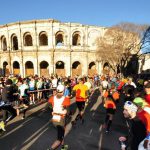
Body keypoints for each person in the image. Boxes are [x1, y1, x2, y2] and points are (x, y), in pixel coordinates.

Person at [48, 84, 70, 150]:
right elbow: (68, 112)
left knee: (61, 133)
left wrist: (53, 110)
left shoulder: (52, 98)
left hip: (54, 118)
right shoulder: (66, 99)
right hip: (61, 119)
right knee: (59, 139)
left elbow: (48, 106)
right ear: (63, 91)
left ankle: (63, 147)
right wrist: (65, 111)